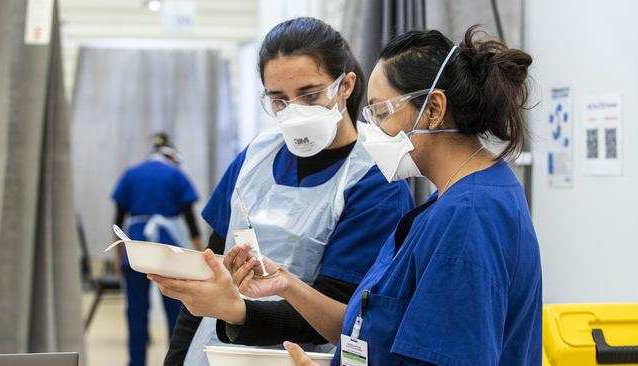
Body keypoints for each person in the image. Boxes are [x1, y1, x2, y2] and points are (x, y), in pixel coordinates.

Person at [151, 25, 542, 366]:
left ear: (434, 109)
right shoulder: (457, 202)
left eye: (382, 112)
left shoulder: (468, 216)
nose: (373, 128)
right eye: (278, 100)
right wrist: (286, 283)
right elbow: (372, 330)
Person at [162, 17, 415, 366]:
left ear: (346, 85)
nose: (294, 111)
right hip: (214, 351)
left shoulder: (374, 182)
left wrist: (238, 313)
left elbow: (340, 313)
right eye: (279, 100)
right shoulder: (254, 158)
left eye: (310, 95)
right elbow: (208, 269)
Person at [112, 132, 202, 366]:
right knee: (176, 310)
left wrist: (118, 257)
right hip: (167, 248)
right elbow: (191, 222)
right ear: (172, 156)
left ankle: (136, 361)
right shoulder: (175, 174)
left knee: (136, 312)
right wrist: (201, 257)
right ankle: (175, 361)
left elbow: (117, 220)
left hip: (135, 247)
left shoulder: (131, 174)